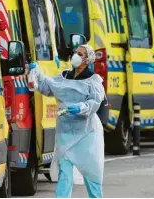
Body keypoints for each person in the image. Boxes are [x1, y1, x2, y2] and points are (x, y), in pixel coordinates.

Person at [28, 44, 104, 198]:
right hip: (65, 133)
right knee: (65, 171)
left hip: (86, 133)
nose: (75, 56)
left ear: (88, 59)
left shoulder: (93, 81)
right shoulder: (64, 76)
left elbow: (95, 102)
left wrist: (81, 107)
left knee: (91, 172)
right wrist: (36, 72)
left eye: (80, 54)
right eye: (75, 52)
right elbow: (48, 86)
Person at [38, 0, 60, 68]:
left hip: (46, 53)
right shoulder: (38, 3)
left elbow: (51, 31)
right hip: (41, 52)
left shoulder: (49, 2)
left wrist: (55, 53)